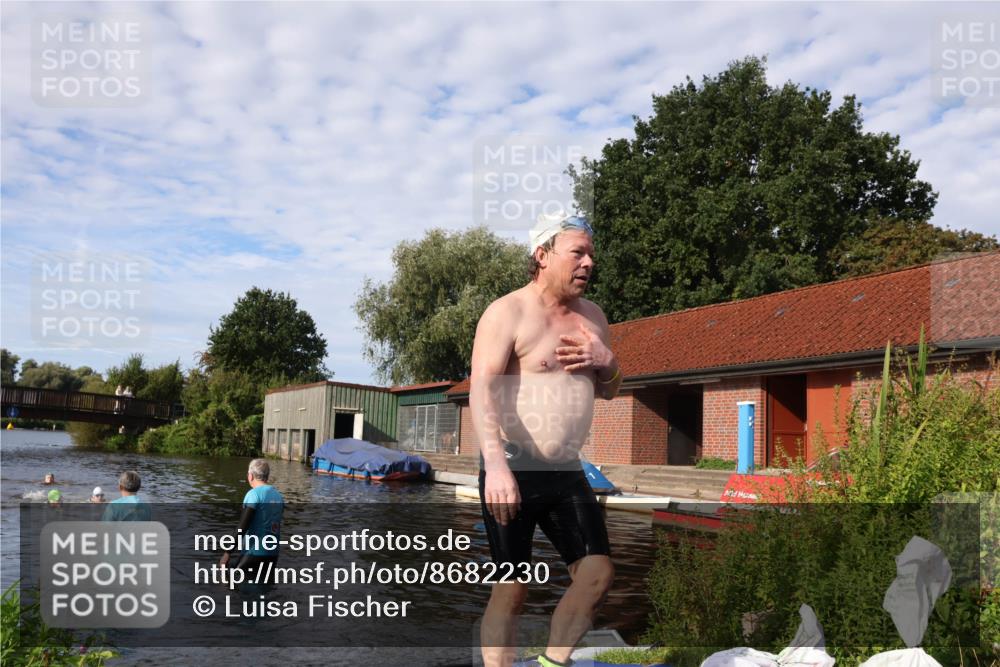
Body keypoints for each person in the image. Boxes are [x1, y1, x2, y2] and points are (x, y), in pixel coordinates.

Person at [471, 211, 623, 667]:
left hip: (566, 470)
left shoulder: (593, 318)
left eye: (591, 254)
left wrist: (606, 358)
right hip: (513, 465)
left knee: (597, 573)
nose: (589, 262)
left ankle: (551, 663)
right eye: (577, 252)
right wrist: (495, 466)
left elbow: (611, 388)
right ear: (542, 255)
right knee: (512, 589)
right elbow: (482, 388)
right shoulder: (508, 312)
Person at [220, 459, 284, 583]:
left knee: (226, 581)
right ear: (267, 476)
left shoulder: (253, 494)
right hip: (273, 555)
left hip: (254, 553)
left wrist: (227, 553)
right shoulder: (278, 496)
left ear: (250, 476)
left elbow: (242, 526)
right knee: (263, 591)